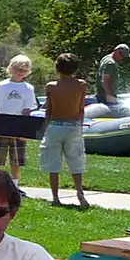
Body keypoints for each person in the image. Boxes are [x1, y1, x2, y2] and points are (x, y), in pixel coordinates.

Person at [41, 53, 90, 208]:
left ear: (57, 68)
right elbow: (81, 108)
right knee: (76, 160)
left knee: (53, 162)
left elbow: (48, 110)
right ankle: (80, 193)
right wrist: (80, 126)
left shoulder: (51, 87)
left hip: (55, 125)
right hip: (74, 125)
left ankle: (55, 197)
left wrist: (45, 128)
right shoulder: (81, 85)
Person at [0, 54, 36, 171]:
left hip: (18, 125)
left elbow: (27, 110)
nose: (21, 72)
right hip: (2, 123)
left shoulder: (28, 88)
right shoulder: (2, 86)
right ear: (11, 68)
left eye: (24, 70)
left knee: (16, 158)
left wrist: (25, 131)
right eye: (18, 69)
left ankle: (15, 183)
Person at [97, 42, 130, 107]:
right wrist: (111, 97)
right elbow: (105, 82)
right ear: (116, 51)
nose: (122, 57)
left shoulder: (105, 58)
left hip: (102, 95)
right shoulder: (110, 63)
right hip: (106, 96)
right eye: (122, 55)